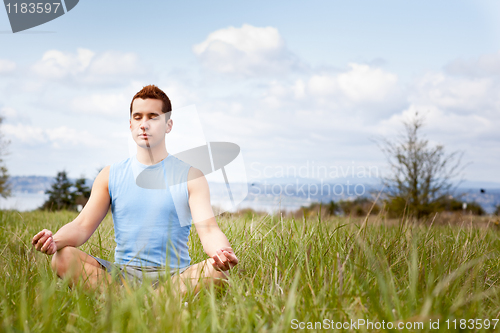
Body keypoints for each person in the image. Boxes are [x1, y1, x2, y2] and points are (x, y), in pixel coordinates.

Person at [32, 85, 238, 294]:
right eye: (138, 117)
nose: (144, 124)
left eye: (153, 117)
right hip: (121, 276)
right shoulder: (110, 174)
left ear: (168, 125)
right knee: (62, 257)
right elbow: (82, 225)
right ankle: (151, 303)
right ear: (130, 124)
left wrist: (222, 253)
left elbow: (209, 229)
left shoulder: (191, 176)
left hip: (175, 277)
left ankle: (132, 303)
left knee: (218, 272)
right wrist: (53, 240)